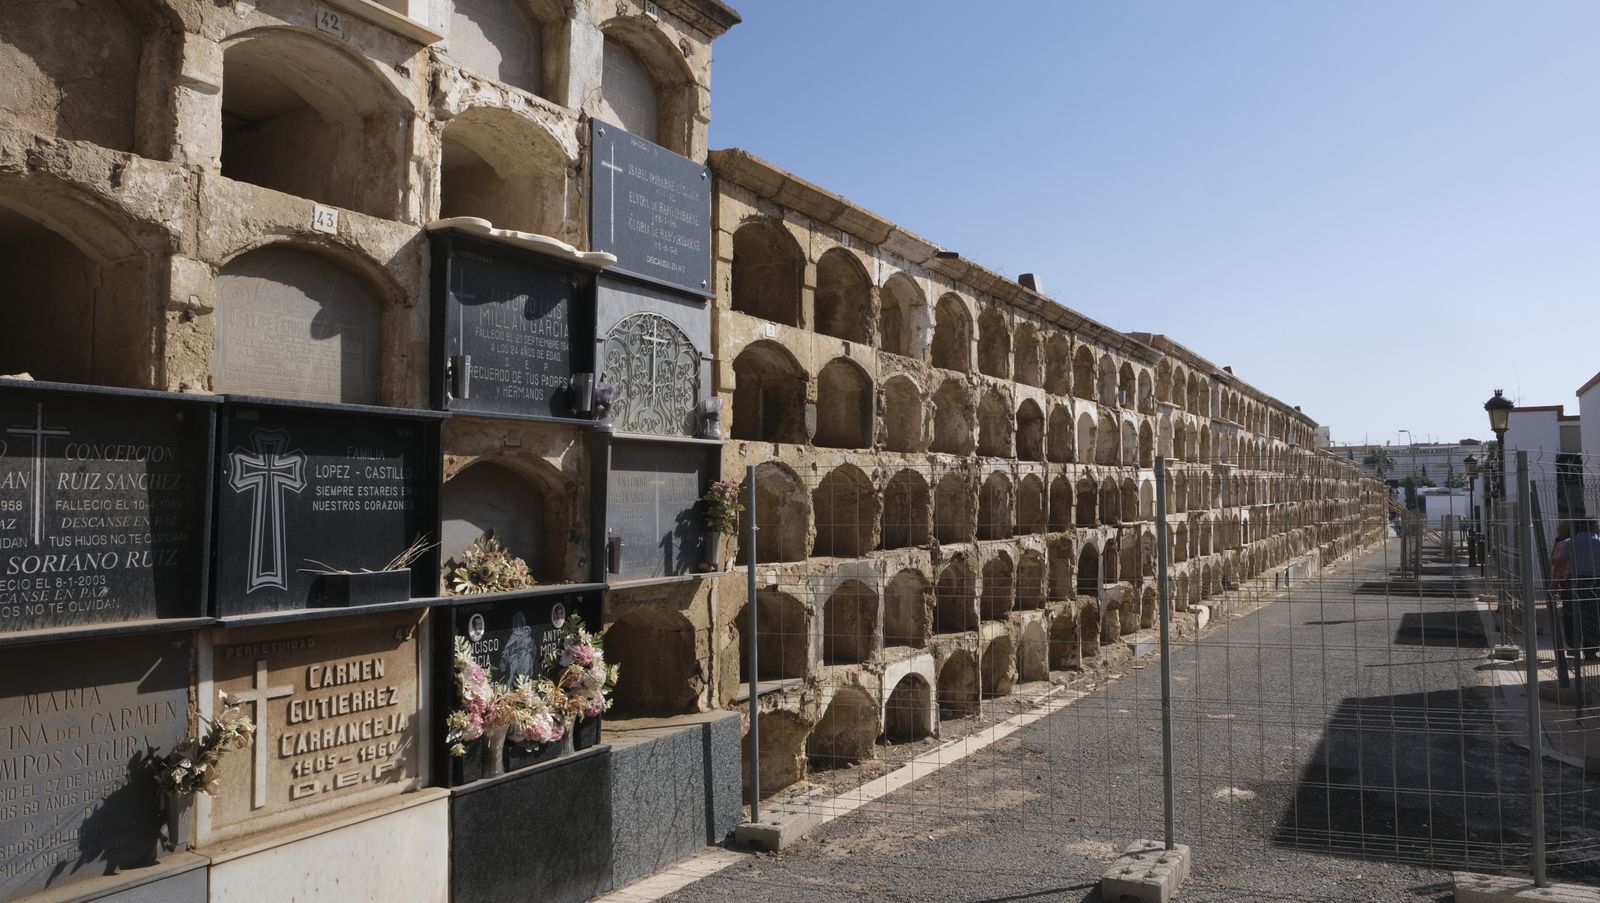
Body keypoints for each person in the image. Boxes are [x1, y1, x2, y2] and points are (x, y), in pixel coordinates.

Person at [1560, 520, 1600, 659]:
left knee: (1570, 613)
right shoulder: (1599, 542)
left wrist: (1555, 582)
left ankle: (1573, 646)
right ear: (1593, 527)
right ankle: (1590, 650)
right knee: (1593, 616)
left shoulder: (1569, 542)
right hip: (1595, 582)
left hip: (1574, 581)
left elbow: (1561, 563)